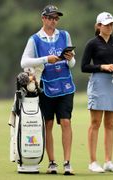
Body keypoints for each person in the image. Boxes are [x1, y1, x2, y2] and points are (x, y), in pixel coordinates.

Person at [20, 4, 76, 175]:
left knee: (66, 122)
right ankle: (52, 163)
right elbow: (24, 62)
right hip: (45, 85)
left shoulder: (65, 35)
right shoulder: (34, 39)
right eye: (50, 17)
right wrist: (45, 59)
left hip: (65, 85)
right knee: (48, 124)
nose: (54, 21)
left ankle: (67, 163)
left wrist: (70, 58)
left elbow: (72, 64)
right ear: (43, 18)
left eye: (56, 18)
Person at [81, 12, 113, 173]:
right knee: (95, 123)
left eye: (111, 24)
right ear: (99, 26)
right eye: (106, 24)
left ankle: (108, 161)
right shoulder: (92, 43)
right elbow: (84, 66)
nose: (110, 27)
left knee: (110, 124)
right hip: (98, 83)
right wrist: (102, 66)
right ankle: (93, 161)